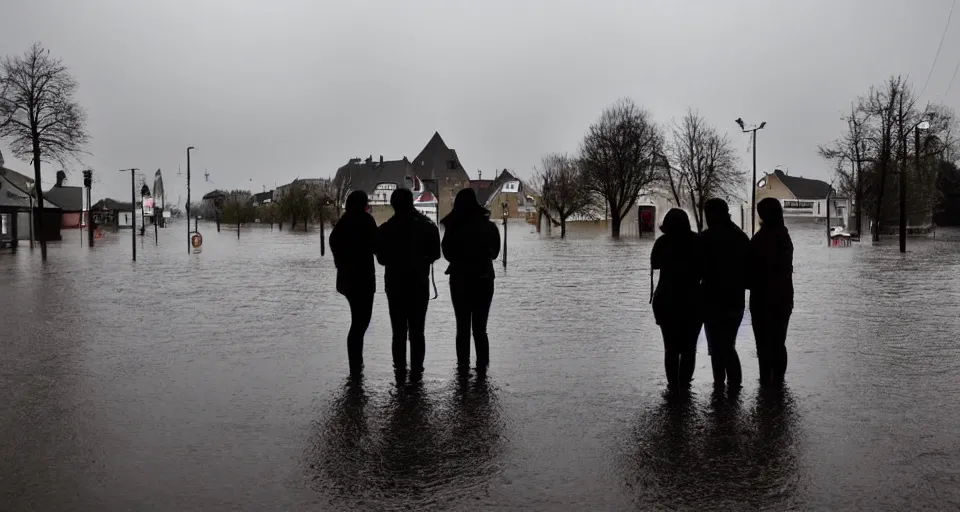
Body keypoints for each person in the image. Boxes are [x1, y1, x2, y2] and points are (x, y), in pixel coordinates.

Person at [376, 188, 441, 382]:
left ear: (394, 205)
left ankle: (400, 374)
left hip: (395, 285)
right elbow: (436, 254)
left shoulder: (386, 229)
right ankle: (417, 374)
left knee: (398, 332)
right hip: (419, 285)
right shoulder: (428, 226)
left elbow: (381, 259)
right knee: (417, 332)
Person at [440, 188, 501, 373]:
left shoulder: (453, 226)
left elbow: (447, 253)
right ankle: (482, 369)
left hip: (460, 281)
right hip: (483, 279)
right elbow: (496, 253)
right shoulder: (489, 226)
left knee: (463, 327)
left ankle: (463, 369)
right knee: (480, 329)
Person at [700, 198, 751, 390]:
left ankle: (720, 387)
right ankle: (733, 389)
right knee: (728, 345)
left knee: (716, 347)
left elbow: (698, 270)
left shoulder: (706, 238)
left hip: (712, 301)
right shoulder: (740, 237)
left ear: (712, 214)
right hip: (734, 301)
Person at [651, 208, 703, 391]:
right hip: (693, 300)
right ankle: (685, 386)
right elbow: (705, 269)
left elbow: (655, 264)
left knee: (670, 348)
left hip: (666, 299)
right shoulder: (698, 241)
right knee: (689, 348)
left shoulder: (662, 242)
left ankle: (673, 386)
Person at [329, 190, 379, 378]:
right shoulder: (366, 221)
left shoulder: (343, 222)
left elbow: (333, 240)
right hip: (364, 280)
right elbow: (377, 247)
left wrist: (340, 263)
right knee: (360, 324)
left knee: (357, 324)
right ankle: (356, 368)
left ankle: (356, 368)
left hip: (346, 281)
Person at [749, 197, 794, 387]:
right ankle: (777, 384)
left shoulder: (762, 238)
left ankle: (767, 382)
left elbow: (752, 270)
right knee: (777, 342)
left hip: (763, 297)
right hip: (782, 296)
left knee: (764, 344)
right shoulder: (783, 235)